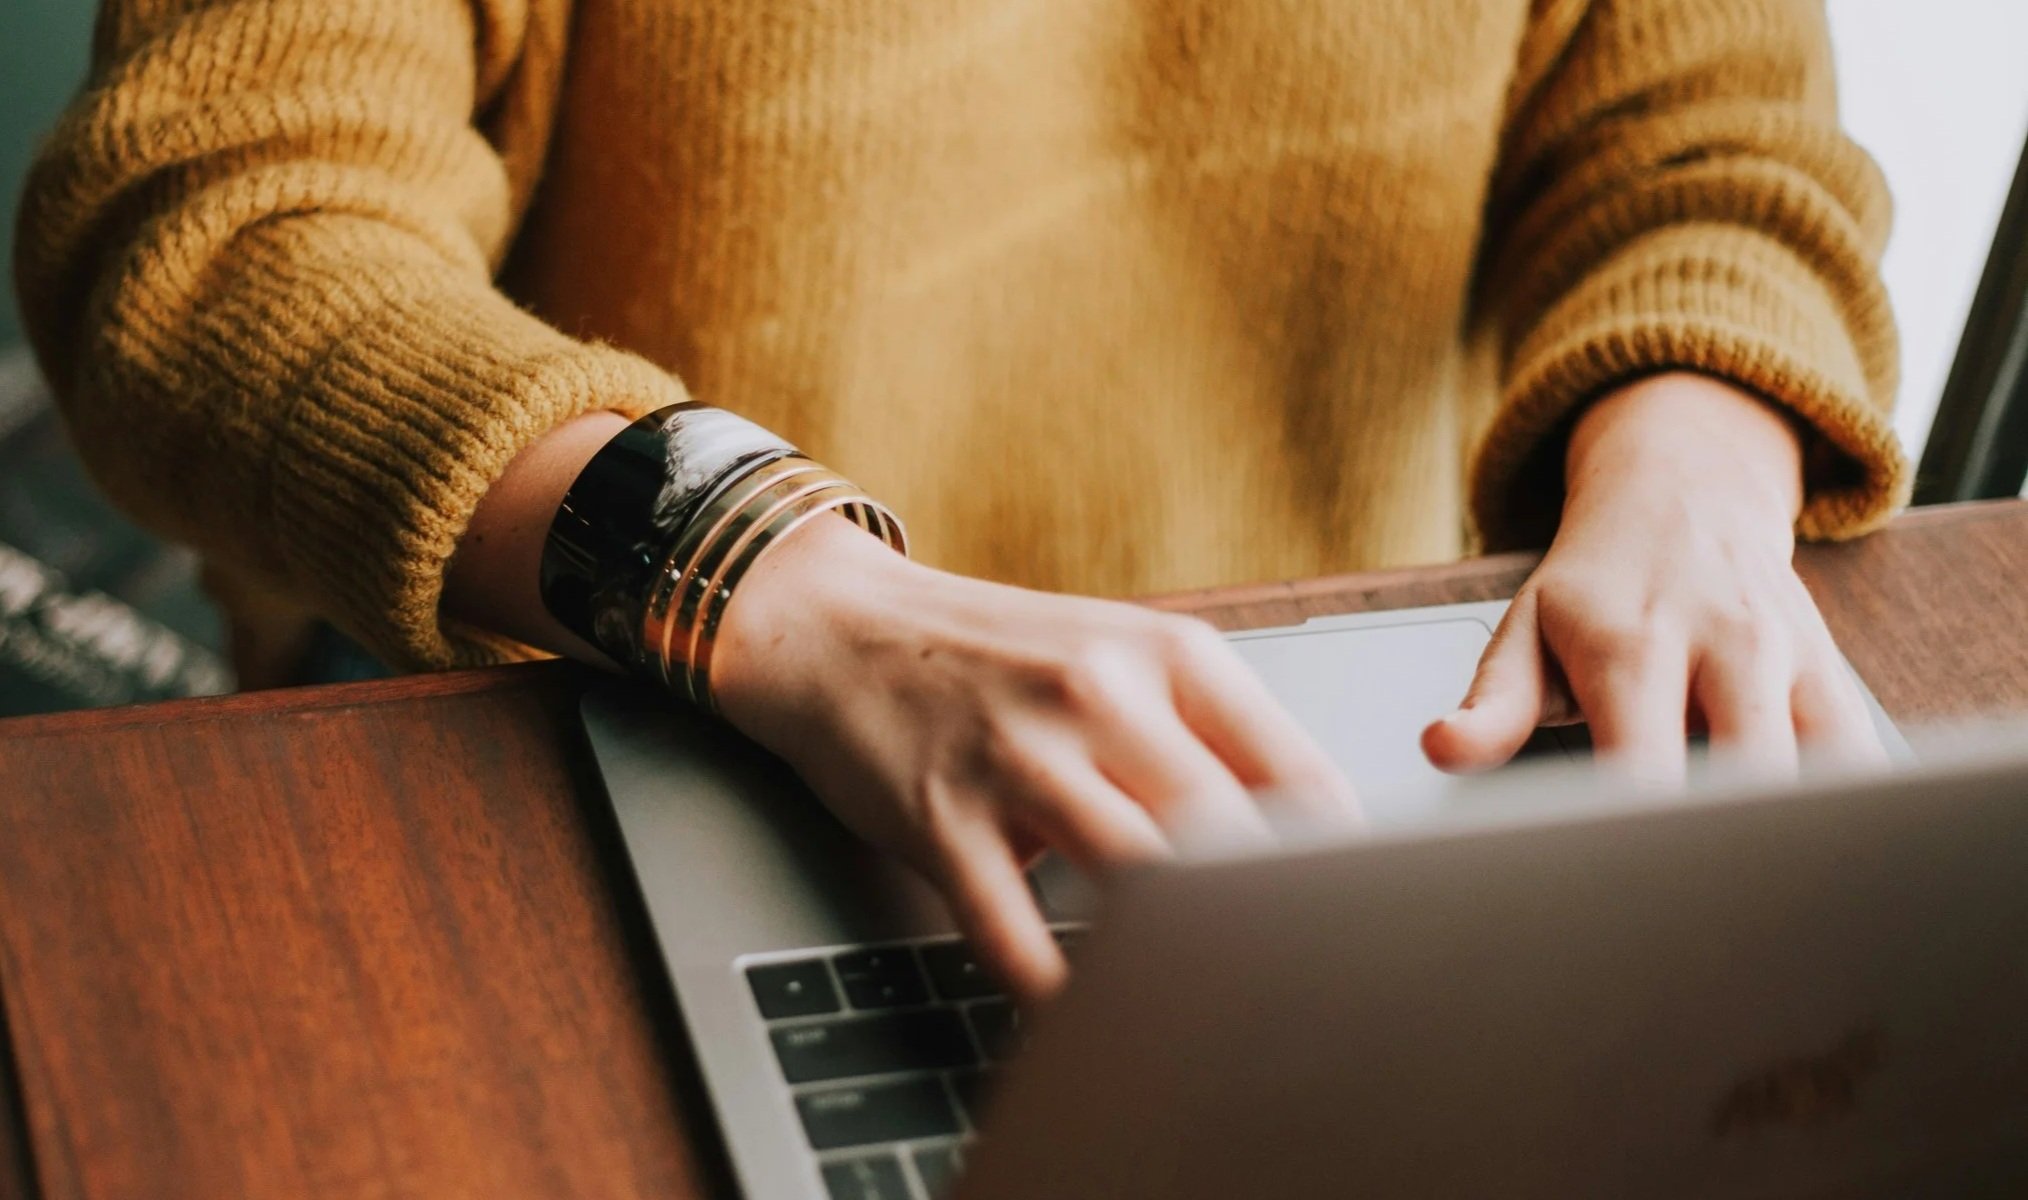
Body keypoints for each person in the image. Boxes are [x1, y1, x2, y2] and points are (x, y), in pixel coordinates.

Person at [14, 0, 1906, 1002]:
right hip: (630, 707)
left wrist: (1700, 451)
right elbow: (215, 232)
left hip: (1335, 771)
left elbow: (1716, 145)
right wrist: (775, 580)